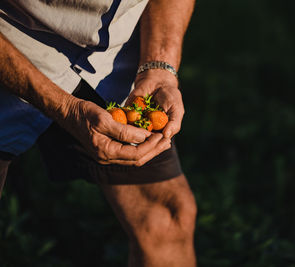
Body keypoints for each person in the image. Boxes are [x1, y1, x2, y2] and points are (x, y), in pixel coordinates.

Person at [0, 0, 197, 266]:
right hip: (13, 43)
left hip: (108, 57)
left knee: (165, 215)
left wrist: (160, 67)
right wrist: (65, 108)